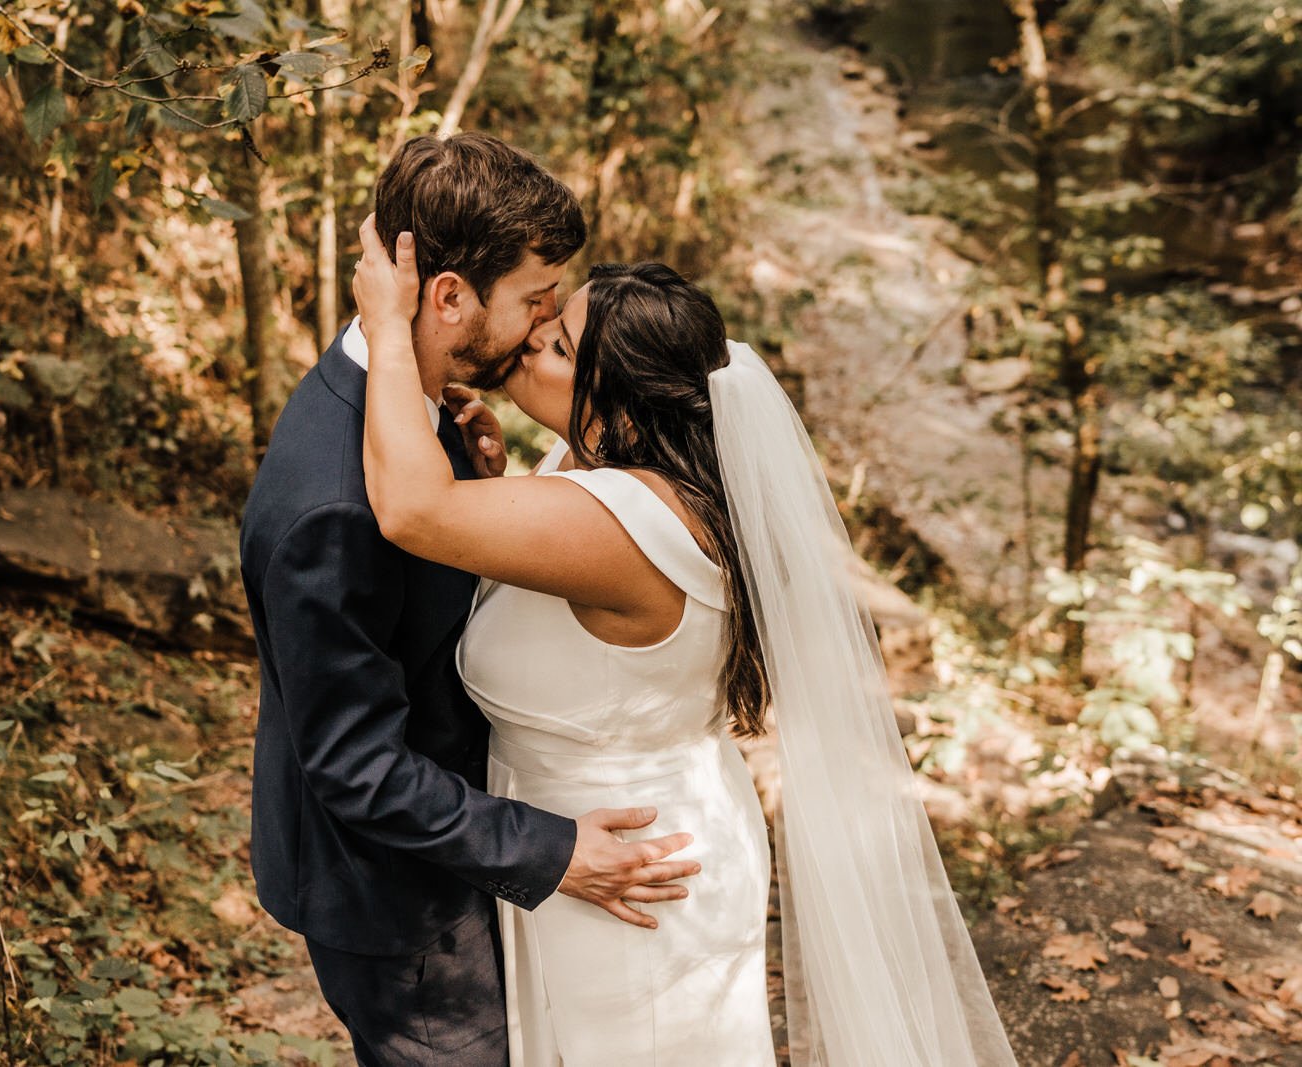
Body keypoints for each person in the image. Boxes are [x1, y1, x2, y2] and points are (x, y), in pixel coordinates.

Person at [352, 217, 1021, 1065]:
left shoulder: (620, 520)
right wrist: (498, 493)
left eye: (555, 345)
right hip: (607, 841)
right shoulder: (613, 472)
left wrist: (385, 329)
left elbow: (411, 510)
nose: (526, 343)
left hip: (632, 872)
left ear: (621, 405)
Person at [237, 134, 700, 1067]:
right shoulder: (336, 500)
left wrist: (484, 484)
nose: (540, 328)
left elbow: (430, 611)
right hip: (407, 910)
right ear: (448, 297)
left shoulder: (420, 410)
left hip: (459, 866)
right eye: (535, 300)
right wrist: (550, 849)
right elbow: (356, 764)